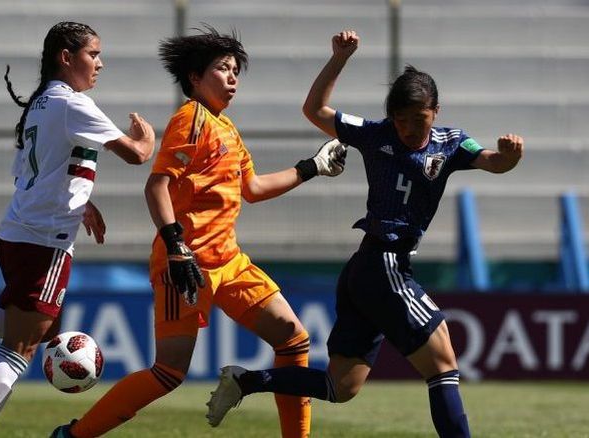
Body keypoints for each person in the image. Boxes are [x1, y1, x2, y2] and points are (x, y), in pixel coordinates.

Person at [205, 30, 524, 437]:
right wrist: (339, 58)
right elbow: (315, 109)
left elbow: (494, 162)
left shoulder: (451, 143)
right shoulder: (377, 134)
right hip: (382, 263)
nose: (408, 128)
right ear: (391, 116)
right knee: (443, 365)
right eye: (402, 119)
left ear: (436, 112)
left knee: (341, 387)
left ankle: (247, 381)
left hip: (367, 272)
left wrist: (511, 157)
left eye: (418, 118)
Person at [49, 25, 346, 438]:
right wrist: (175, 247)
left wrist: (310, 167)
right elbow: (156, 186)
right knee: (169, 372)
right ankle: (72, 435)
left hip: (228, 261)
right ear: (194, 78)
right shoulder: (191, 119)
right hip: (184, 265)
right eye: (222, 69)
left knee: (293, 340)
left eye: (235, 70)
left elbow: (253, 189)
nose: (232, 77)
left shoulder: (227, 129)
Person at [0, 22, 155, 438]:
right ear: (66, 57)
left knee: (34, 328)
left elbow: (34, 174)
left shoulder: (41, 104)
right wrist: (147, 138)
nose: (100, 63)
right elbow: (136, 156)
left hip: (19, 232)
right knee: (19, 348)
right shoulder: (72, 104)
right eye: (93, 54)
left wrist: (81, 203)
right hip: (44, 240)